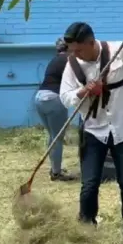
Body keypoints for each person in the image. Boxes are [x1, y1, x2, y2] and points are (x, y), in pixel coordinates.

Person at [59, 20, 123, 242]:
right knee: (89, 184)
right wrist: (84, 90)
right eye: (71, 50)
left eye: (78, 49)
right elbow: (65, 97)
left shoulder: (118, 51)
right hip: (94, 130)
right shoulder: (72, 65)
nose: (74, 54)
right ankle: (86, 229)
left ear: (91, 42)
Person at [34, 38, 78, 181]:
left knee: (53, 136)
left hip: (40, 98)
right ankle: (57, 173)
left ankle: (54, 169)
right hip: (54, 99)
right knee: (58, 138)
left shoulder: (55, 60)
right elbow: (80, 78)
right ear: (69, 47)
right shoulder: (69, 59)